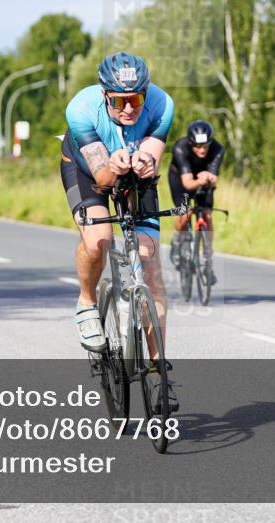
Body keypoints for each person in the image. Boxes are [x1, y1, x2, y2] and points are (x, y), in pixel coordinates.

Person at [60, 51, 177, 410]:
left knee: (150, 263)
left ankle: (157, 370)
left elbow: (153, 153)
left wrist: (146, 162)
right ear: (103, 95)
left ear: (146, 94)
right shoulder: (81, 110)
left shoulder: (162, 104)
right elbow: (102, 176)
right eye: (118, 101)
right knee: (99, 239)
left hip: (133, 173)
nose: (128, 109)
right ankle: (86, 301)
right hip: (87, 167)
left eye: (135, 100)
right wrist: (113, 165)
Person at [167, 120, 225, 271]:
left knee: (207, 214)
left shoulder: (218, 149)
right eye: (198, 146)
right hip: (181, 179)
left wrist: (210, 178)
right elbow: (187, 183)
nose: (202, 150)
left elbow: (214, 178)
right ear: (190, 143)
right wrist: (200, 180)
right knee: (185, 213)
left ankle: (207, 255)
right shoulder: (180, 147)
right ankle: (177, 241)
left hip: (203, 179)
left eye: (205, 145)